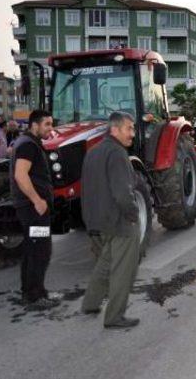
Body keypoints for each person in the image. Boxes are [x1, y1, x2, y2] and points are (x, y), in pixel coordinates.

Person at [80, 112, 141, 329]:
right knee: (123, 270)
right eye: (129, 129)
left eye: (133, 129)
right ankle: (114, 316)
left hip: (97, 221)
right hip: (119, 221)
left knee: (105, 263)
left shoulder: (93, 152)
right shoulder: (117, 153)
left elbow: (86, 190)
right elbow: (123, 194)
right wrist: (134, 216)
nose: (132, 134)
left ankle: (90, 303)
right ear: (114, 130)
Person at [10, 110, 60, 309]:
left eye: (51, 123)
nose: (51, 128)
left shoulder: (27, 143)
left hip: (31, 208)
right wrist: (37, 200)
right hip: (33, 210)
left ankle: (33, 292)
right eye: (47, 124)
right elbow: (21, 175)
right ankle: (34, 296)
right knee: (40, 250)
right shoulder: (28, 145)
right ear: (34, 125)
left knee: (32, 249)